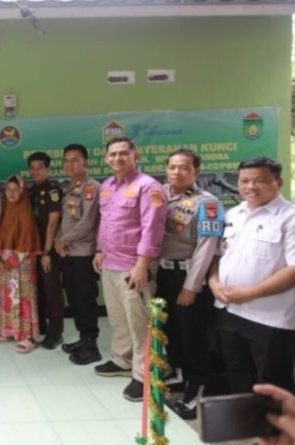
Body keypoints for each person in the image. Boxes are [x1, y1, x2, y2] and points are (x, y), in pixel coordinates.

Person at [208, 157, 295, 396]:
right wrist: (213, 283)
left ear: (279, 182)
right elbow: (218, 255)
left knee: (274, 384)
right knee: (238, 375)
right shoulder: (234, 214)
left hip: (272, 319)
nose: (251, 186)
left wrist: (250, 293)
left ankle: (279, 422)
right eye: (244, 181)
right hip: (230, 312)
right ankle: (249, 419)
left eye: (260, 180)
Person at [93, 137, 167, 402]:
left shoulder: (148, 187)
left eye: (123, 153)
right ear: (106, 158)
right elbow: (105, 222)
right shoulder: (106, 186)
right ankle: (121, 360)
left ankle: (144, 375)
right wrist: (99, 250)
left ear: (136, 155)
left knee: (139, 323)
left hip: (133, 267)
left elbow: (152, 228)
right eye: (112, 154)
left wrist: (142, 264)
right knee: (118, 319)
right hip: (110, 264)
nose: (117, 158)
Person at [155, 149, 222, 420]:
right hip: (163, 274)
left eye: (184, 167)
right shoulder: (158, 195)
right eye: (172, 167)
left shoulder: (207, 203)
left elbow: (207, 247)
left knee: (193, 336)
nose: (177, 172)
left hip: (188, 275)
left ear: (196, 171)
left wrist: (191, 286)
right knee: (170, 329)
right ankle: (180, 375)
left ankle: (197, 389)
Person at [55, 144, 102, 365]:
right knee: (73, 299)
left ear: (86, 163)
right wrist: (59, 242)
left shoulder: (92, 187)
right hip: (68, 253)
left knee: (85, 300)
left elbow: (87, 223)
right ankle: (83, 339)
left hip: (83, 253)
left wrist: (63, 240)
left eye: (75, 160)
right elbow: (64, 219)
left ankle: (92, 346)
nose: (70, 164)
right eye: (66, 160)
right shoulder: (69, 188)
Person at [0, 175, 42, 353]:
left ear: (22, 191)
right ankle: (9, 330)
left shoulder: (25, 210)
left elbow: (28, 240)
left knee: (24, 298)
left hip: (22, 262)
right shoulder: (5, 209)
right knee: (8, 297)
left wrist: (12, 260)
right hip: (5, 262)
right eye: (8, 189)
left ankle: (28, 336)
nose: (12, 193)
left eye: (16, 190)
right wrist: (0, 259)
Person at [27, 151, 66, 349]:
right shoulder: (30, 192)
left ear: (48, 169)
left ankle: (55, 332)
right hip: (33, 250)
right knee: (38, 290)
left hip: (48, 251)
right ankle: (41, 327)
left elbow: (52, 224)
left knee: (52, 291)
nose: (36, 171)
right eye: (32, 168)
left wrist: (46, 253)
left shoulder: (53, 191)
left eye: (40, 168)